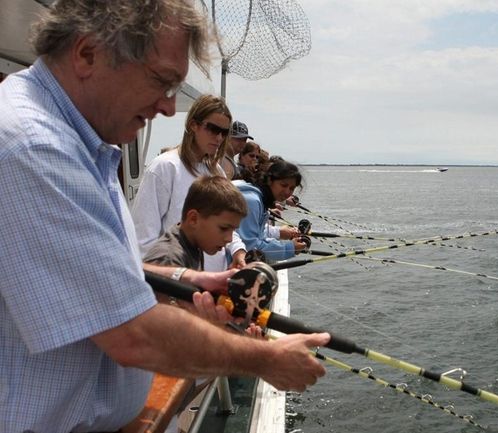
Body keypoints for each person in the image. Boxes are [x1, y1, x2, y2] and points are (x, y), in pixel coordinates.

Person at [0, 2, 328, 432]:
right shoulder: (32, 148)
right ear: (87, 54)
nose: (170, 107)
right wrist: (266, 358)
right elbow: (132, 335)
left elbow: (95, 270)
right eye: (160, 80)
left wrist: (187, 280)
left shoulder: (85, 145)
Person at [131, 94, 248, 271]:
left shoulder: (217, 171)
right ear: (193, 125)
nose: (219, 138)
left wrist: (238, 250)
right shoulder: (165, 167)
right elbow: (144, 238)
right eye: (213, 129)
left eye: (224, 133)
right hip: (180, 284)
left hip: (214, 283)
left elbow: (226, 223)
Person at [144, 176, 248, 271]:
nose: (229, 239)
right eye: (223, 228)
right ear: (193, 219)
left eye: (233, 230)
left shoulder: (193, 244)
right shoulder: (168, 259)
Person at [235, 160, 306, 261]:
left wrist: (285, 242)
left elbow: (259, 236)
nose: (287, 192)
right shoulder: (252, 201)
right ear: (269, 180)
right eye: (283, 185)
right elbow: (249, 245)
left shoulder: (260, 198)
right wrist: (289, 249)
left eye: (291, 188)